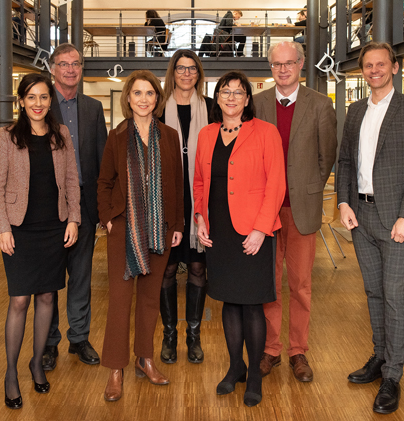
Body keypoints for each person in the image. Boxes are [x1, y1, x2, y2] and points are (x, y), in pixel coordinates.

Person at [336, 42, 404, 414]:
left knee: (395, 295)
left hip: (396, 221)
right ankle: (379, 357)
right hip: (360, 215)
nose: (374, 70)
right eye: (368, 65)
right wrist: (343, 202)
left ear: (393, 67)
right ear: (362, 71)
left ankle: (393, 374)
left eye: (381, 64)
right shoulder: (355, 111)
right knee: (373, 292)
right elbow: (345, 161)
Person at [0, 73, 81, 409]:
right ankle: (11, 373)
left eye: (43, 97)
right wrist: (2, 228)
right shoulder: (7, 137)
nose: (38, 104)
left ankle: (36, 361)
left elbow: (72, 181)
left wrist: (73, 218)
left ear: (49, 101)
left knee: (47, 298)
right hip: (19, 230)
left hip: (53, 228)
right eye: (31, 97)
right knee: (19, 301)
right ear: (21, 101)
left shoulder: (62, 136)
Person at [193, 71, 286, 407]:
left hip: (254, 232)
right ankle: (236, 368)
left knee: (251, 304)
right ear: (217, 99)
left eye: (238, 92)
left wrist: (261, 229)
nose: (231, 98)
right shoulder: (206, 135)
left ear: (248, 99)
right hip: (218, 230)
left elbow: (276, 183)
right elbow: (201, 182)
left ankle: (256, 376)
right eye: (225, 92)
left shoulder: (266, 133)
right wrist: (200, 217)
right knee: (229, 301)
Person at [97, 70, 184, 402]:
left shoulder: (170, 136)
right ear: (128, 98)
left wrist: (177, 225)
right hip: (124, 230)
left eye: (150, 93)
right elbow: (104, 182)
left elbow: (177, 185)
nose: (144, 99)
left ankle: (145, 359)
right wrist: (108, 218)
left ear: (157, 99)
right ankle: (115, 369)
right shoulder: (116, 136)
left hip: (161, 230)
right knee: (120, 301)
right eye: (138, 93)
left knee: (150, 299)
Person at [254, 41, 337, 383]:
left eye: (289, 63)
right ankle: (271, 348)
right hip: (265, 213)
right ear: (270, 68)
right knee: (268, 284)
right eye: (277, 64)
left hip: (302, 209)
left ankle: (298, 350)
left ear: (301, 64)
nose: (283, 69)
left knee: (301, 284)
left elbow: (326, 156)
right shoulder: (256, 104)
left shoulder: (320, 104)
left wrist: (307, 187)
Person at [43, 43, 107, 371]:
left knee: (81, 276)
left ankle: (79, 337)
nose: (70, 69)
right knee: (51, 279)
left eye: (76, 64)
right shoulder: (39, 106)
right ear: (53, 68)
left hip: (83, 205)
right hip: (47, 209)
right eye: (64, 64)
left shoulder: (94, 109)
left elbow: (102, 162)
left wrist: (101, 211)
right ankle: (49, 342)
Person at [158, 50, 214, 365]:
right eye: (181, 68)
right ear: (173, 72)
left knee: (197, 268)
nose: (186, 73)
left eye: (192, 68)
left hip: (199, 200)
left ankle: (194, 337)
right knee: (166, 268)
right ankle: (169, 336)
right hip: (167, 201)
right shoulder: (157, 108)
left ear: (198, 73)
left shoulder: (211, 108)